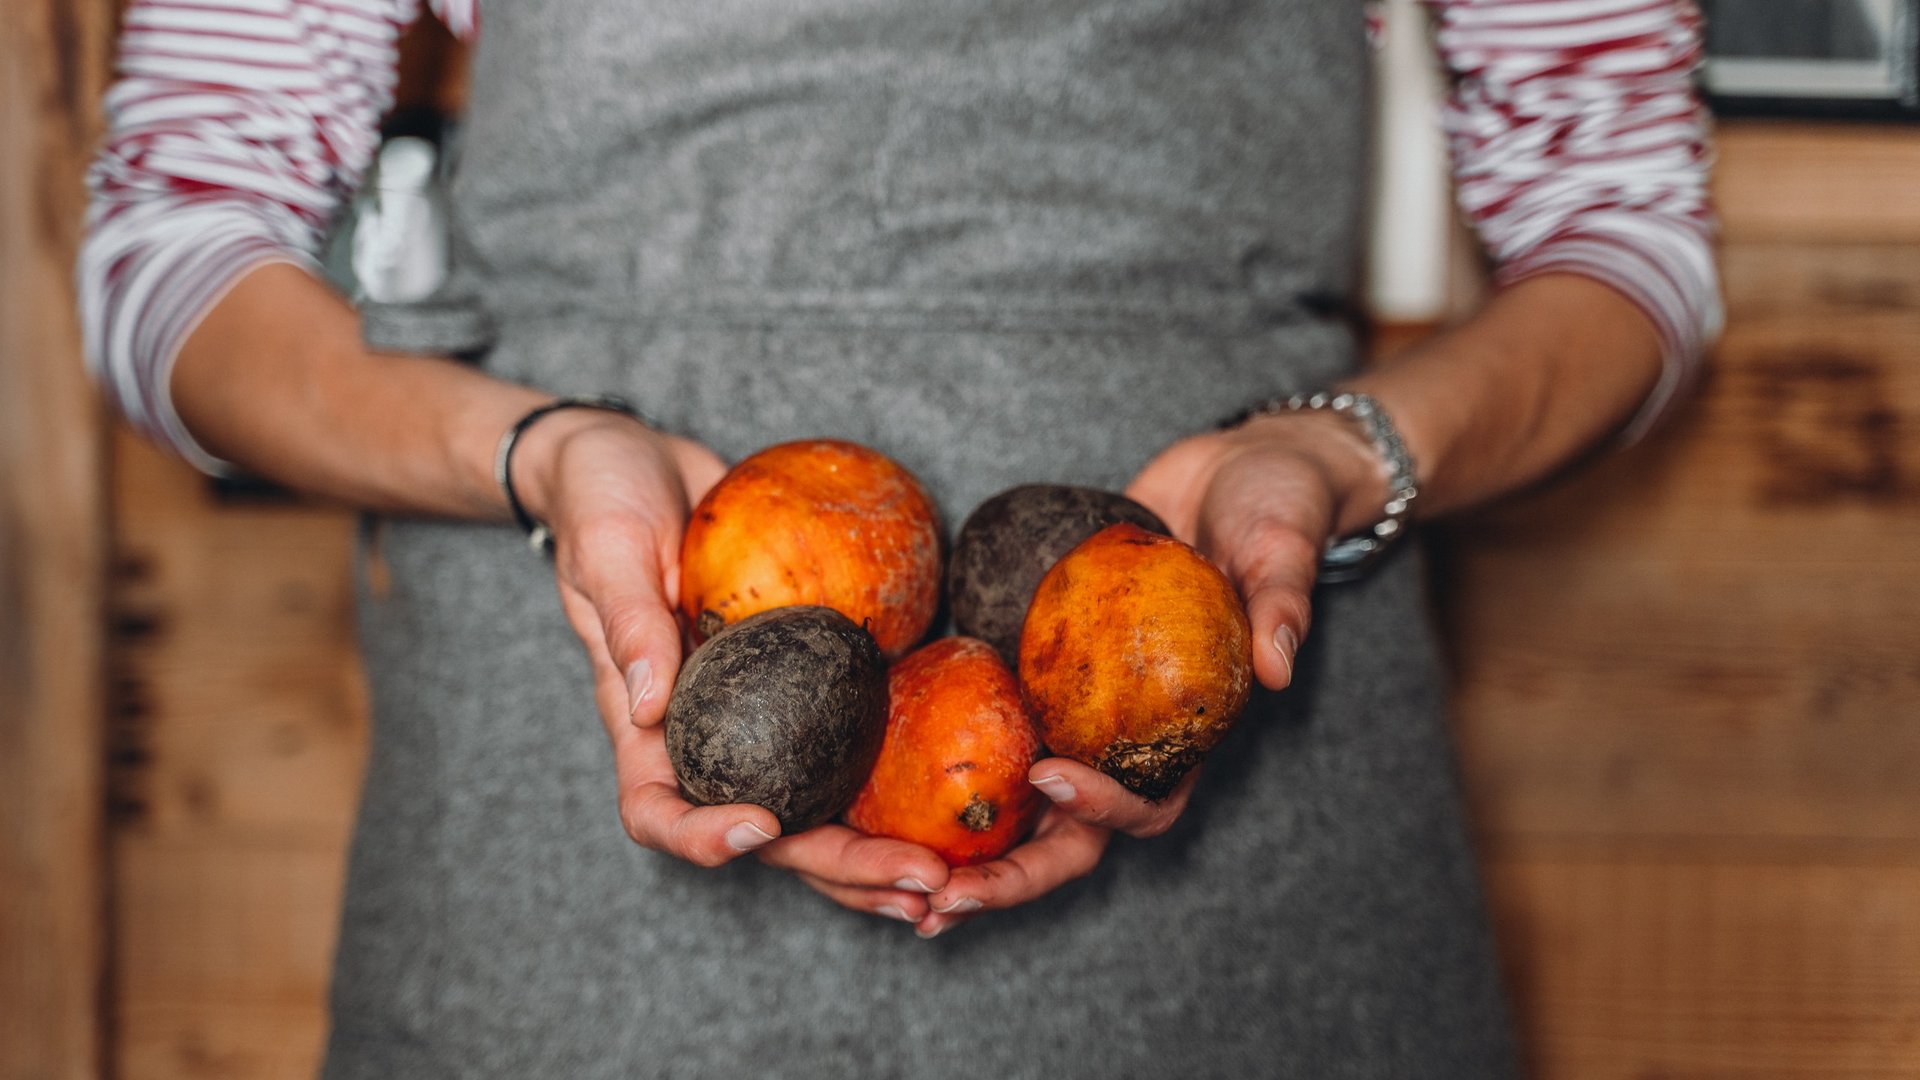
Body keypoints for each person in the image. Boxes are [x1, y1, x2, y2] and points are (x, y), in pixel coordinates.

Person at [80, 0, 1718, 1075]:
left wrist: (1343, 457)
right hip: (564, 813)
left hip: (1241, 814)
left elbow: (1622, 231)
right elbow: (179, 243)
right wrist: (533, 450)